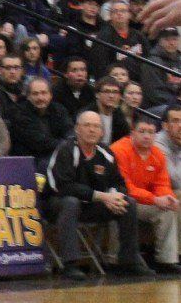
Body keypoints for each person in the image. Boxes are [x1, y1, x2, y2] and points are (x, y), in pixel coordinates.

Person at [44, 111, 152, 280]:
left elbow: (120, 184)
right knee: (71, 202)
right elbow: (62, 186)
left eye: (96, 126)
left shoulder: (105, 153)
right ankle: (70, 264)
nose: (92, 130)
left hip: (90, 205)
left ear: (102, 132)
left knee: (128, 202)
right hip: (56, 205)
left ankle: (128, 261)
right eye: (87, 125)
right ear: (77, 129)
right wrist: (101, 196)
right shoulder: (66, 149)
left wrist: (114, 196)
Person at [111, 117, 181, 274]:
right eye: (142, 131)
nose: (147, 136)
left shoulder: (157, 153)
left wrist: (168, 197)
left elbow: (162, 183)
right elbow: (125, 187)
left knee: (168, 209)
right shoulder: (119, 150)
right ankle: (114, 260)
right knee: (124, 203)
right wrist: (155, 199)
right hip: (120, 198)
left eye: (151, 132)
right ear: (132, 133)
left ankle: (166, 260)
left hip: (146, 201)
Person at [10, 77, 73, 172]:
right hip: (29, 163)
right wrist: (65, 145)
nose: (40, 98)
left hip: (58, 156)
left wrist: (68, 145)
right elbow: (39, 143)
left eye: (44, 93)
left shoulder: (59, 109)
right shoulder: (19, 113)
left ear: (50, 95)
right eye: (35, 94)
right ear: (28, 96)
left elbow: (69, 132)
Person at [91, 2, 149, 80]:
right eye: (115, 11)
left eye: (123, 11)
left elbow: (148, 59)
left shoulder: (139, 36)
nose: (119, 14)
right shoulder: (103, 36)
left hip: (137, 82)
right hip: (113, 82)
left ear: (129, 15)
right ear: (110, 16)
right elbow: (100, 65)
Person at [156, 103, 181, 262]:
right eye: (175, 121)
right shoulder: (158, 143)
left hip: (173, 191)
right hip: (155, 193)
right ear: (165, 125)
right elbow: (176, 180)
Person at [141, 27, 181, 109]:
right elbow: (154, 94)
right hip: (158, 107)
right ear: (160, 41)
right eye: (167, 40)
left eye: (174, 39)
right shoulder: (151, 62)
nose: (171, 43)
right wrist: (178, 102)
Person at [0, 53, 26, 127]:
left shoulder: (23, 90)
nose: (13, 72)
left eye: (16, 68)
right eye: (8, 68)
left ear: (22, 71)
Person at [53, 56, 97, 122]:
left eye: (83, 70)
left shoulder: (92, 92)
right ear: (66, 74)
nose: (80, 74)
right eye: (74, 70)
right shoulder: (56, 92)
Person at [94, 76, 130, 145]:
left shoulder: (119, 115)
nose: (111, 96)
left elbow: (125, 139)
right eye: (107, 91)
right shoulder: (88, 113)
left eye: (115, 92)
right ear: (97, 94)